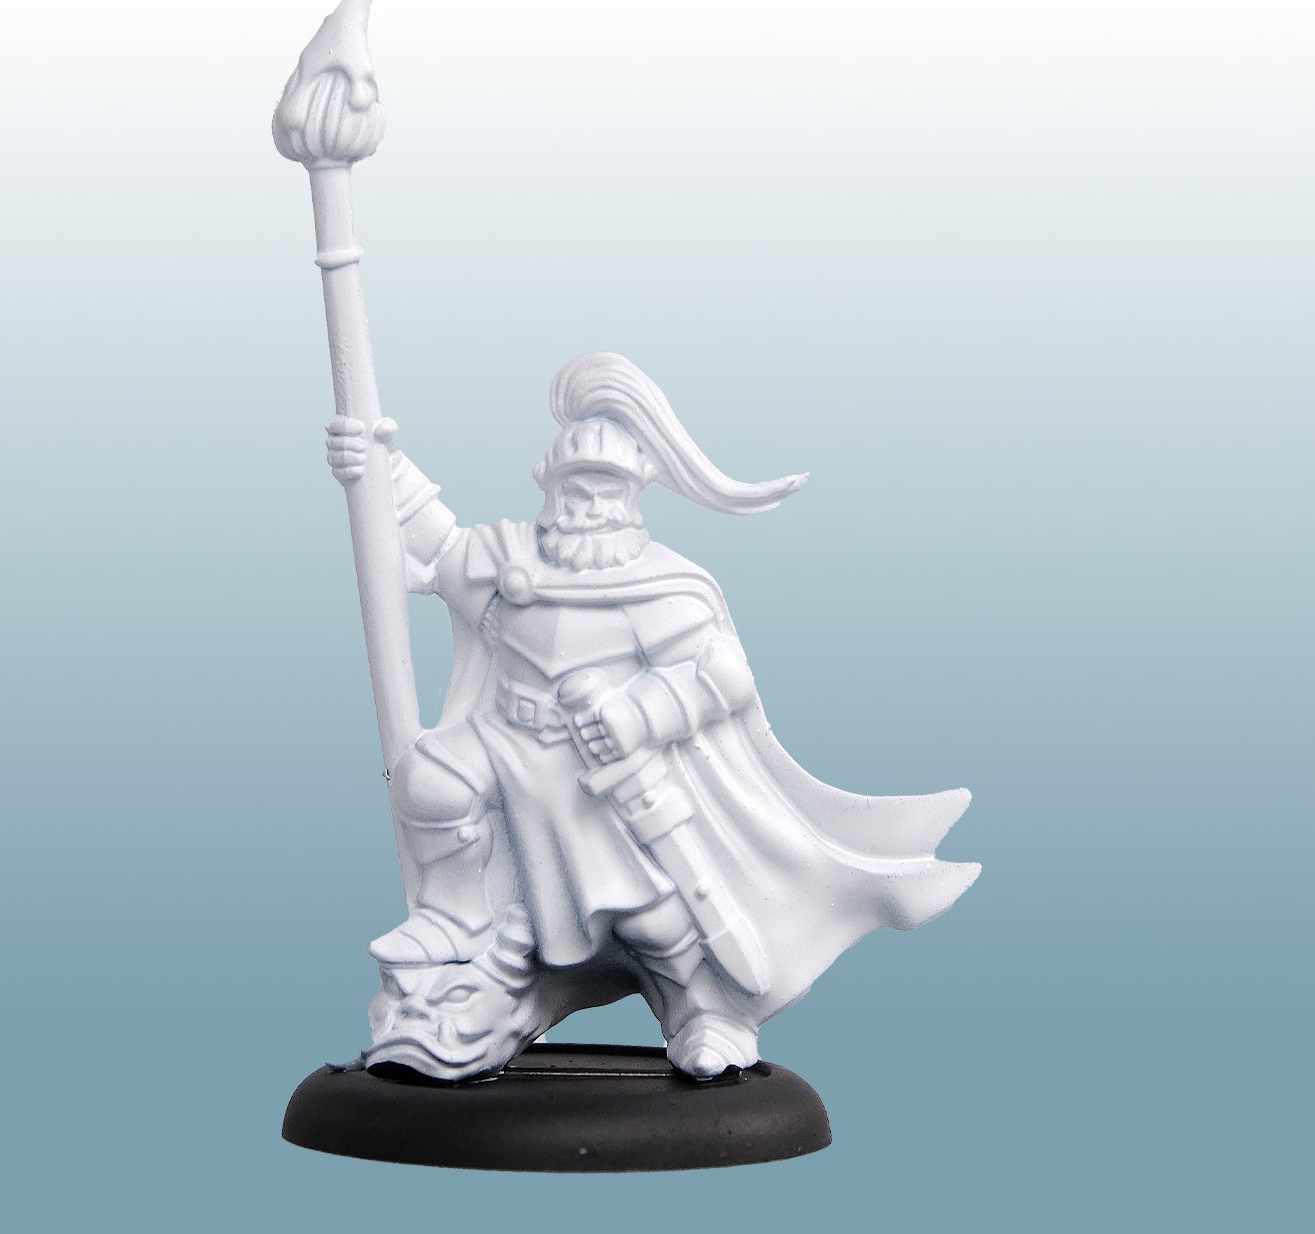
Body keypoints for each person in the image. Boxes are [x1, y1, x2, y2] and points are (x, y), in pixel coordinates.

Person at [328, 353, 978, 1078]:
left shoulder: (660, 584)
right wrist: (375, 464)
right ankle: (455, 925)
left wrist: (640, 714)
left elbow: (721, 678)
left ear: (635, 493)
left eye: (606, 488)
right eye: (576, 486)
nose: (589, 504)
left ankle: (700, 1009)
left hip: (596, 775)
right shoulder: (509, 558)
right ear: (550, 484)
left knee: (645, 911)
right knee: (431, 781)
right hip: (505, 744)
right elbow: (434, 540)